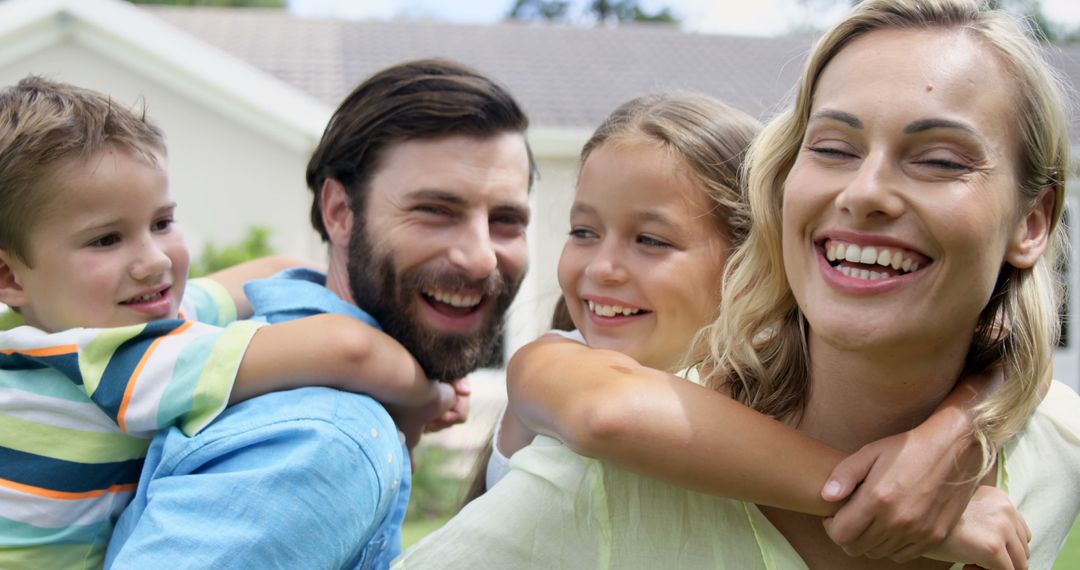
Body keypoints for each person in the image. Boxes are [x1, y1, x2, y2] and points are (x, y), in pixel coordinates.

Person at [398, 0, 1080, 567]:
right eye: (834, 148)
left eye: (937, 159)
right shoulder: (596, 473)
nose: (866, 191)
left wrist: (961, 422)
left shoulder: (1054, 451)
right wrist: (878, 494)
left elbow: (1026, 371)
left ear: (1033, 221)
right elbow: (608, 412)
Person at [0, 76, 457, 569]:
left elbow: (269, 271)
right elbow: (349, 350)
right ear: (10, 276)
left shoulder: (77, 330)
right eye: (106, 240)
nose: (153, 261)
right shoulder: (109, 363)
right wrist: (428, 400)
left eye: (161, 223)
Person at [103, 58, 534, 569]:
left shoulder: (236, 340)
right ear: (340, 212)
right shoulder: (327, 439)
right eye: (435, 211)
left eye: (506, 220)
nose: (481, 256)